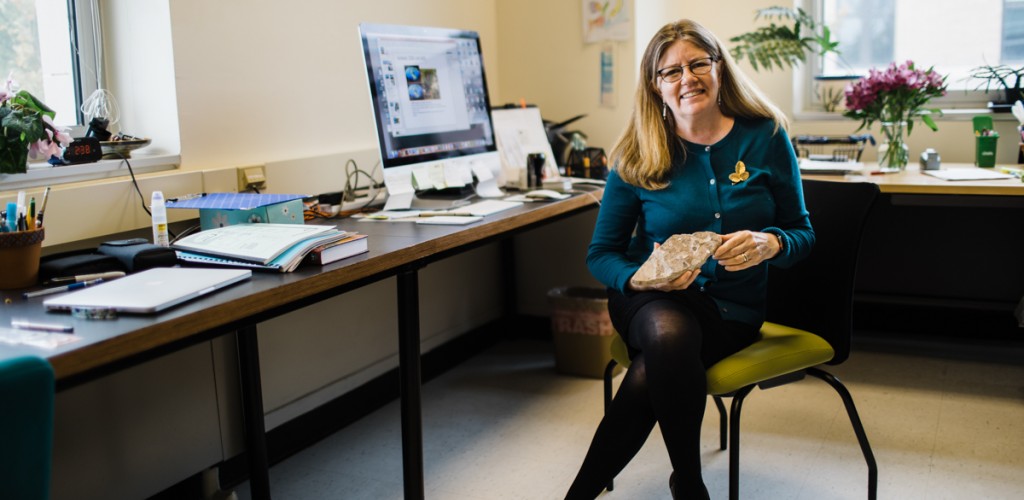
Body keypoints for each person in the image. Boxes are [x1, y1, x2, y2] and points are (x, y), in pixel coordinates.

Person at [565, 19, 815, 500]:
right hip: (650, 301)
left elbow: (803, 232)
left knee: (648, 371)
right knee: (668, 331)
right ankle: (690, 484)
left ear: (720, 69)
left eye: (699, 63)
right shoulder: (637, 154)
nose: (687, 78)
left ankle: (590, 494)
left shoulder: (765, 137)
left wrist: (772, 244)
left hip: (732, 311)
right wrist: (638, 279)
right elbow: (601, 255)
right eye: (671, 71)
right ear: (655, 86)